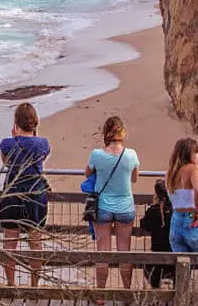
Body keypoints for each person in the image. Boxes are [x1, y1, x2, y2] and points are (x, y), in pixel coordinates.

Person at [0, 103, 51, 287]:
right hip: (35, 195)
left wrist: (15, 138)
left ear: (16, 123)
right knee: (35, 242)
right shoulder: (43, 143)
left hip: (12, 194)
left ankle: (11, 284)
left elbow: (6, 163)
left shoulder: (7, 143)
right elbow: (40, 159)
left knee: (10, 242)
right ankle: (34, 286)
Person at [84, 116, 139, 289]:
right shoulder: (131, 155)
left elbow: (87, 173)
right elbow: (134, 178)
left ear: (105, 134)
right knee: (124, 251)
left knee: (102, 251)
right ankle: (126, 291)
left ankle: (101, 293)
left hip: (103, 207)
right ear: (122, 133)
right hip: (125, 206)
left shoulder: (97, 155)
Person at [166, 137, 198, 292]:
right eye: (197, 151)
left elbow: (181, 197)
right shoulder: (194, 169)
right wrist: (197, 210)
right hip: (192, 221)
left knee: (182, 271)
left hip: (176, 221)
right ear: (190, 153)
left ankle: (183, 301)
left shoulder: (171, 172)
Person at [140, 179, 174, 290]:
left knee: (147, 265)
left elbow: (145, 225)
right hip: (174, 257)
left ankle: (156, 294)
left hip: (156, 259)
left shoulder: (153, 211)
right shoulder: (176, 211)